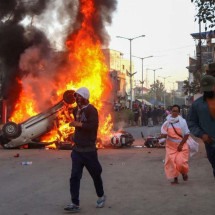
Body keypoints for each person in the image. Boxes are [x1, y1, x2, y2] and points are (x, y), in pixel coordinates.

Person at [64, 87, 105, 213]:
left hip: (89, 151)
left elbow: (93, 126)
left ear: (86, 98)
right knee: (74, 176)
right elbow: (76, 122)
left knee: (96, 174)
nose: (77, 99)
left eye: (79, 96)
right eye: (76, 96)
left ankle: (101, 196)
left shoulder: (92, 110)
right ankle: (74, 203)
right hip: (77, 151)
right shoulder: (77, 109)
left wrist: (79, 124)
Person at [187, 75, 215, 178]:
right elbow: (191, 122)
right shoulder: (197, 105)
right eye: (205, 90)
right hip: (211, 143)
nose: (208, 92)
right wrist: (201, 134)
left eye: (210, 89)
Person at [159, 104, 190, 184]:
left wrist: (181, 145)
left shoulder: (183, 122)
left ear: (179, 112)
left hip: (181, 146)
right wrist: (163, 136)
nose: (174, 112)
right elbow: (164, 134)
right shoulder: (167, 123)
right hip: (170, 146)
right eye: (173, 111)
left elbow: (187, 134)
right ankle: (175, 179)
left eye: (176, 111)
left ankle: (183, 173)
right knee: (172, 162)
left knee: (180, 162)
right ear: (171, 112)